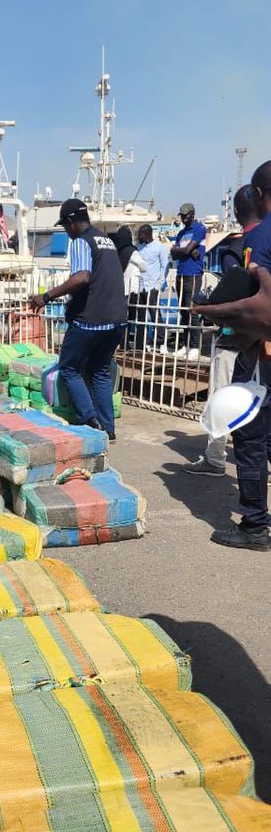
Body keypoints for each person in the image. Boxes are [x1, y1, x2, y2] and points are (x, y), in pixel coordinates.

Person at [194, 162, 271, 550]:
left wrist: (217, 312)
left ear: (258, 196)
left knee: (251, 437)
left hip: (261, 352)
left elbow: (250, 298)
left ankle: (255, 525)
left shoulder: (259, 239)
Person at [30, 198, 127, 440]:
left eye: (65, 226)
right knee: (99, 371)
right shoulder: (106, 241)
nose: (66, 231)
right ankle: (108, 429)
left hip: (90, 320)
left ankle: (89, 421)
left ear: (72, 222)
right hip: (116, 320)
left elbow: (82, 277)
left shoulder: (81, 242)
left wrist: (47, 295)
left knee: (69, 368)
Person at [184, 184, 261, 476]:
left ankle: (216, 458)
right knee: (260, 402)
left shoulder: (236, 250)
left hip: (233, 337)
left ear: (238, 213)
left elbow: (230, 292)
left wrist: (207, 307)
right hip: (261, 340)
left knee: (222, 397)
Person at [170, 202, 206, 361]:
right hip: (181, 273)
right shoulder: (181, 233)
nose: (183, 218)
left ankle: (195, 346)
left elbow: (181, 250)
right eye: (182, 215)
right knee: (183, 311)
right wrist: (187, 251)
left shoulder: (199, 229)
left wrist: (183, 251)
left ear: (193, 214)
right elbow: (174, 253)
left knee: (192, 310)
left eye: (186, 215)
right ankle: (186, 344)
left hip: (193, 274)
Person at [135, 224, 170, 351]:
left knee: (155, 314)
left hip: (152, 285)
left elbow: (165, 265)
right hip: (140, 285)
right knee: (141, 315)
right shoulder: (139, 247)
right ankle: (143, 342)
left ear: (147, 234)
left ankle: (161, 341)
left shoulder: (159, 248)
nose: (139, 236)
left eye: (140, 234)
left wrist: (160, 283)